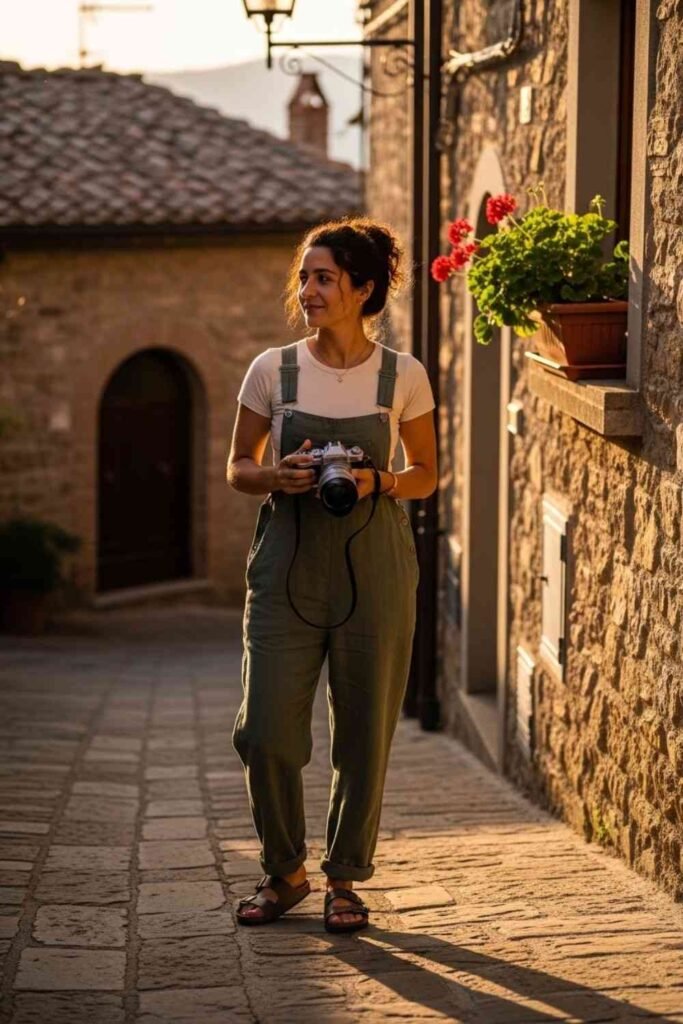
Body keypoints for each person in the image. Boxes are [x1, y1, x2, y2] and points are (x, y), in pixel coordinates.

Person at [226, 217, 437, 934]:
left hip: (376, 569)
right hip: (284, 564)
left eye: (323, 278)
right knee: (263, 732)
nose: (307, 290)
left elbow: (426, 476)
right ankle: (284, 869)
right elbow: (236, 467)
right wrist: (275, 475)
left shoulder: (401, 375)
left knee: (364, 731)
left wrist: (377, 479)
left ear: (362, 288)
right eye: (304, 277)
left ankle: (345, 878)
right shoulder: (271, 370)